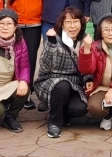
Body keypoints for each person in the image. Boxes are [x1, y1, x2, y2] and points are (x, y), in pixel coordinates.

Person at [34, 7, 89, 139]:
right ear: (62, 24)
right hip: (51, 81)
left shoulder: (86, 40)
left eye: (76, 21)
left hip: (75, 84)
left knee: (79, 109)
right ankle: (54, 122)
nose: (72, 26)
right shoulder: (54, 38)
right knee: (62, 85)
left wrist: (88, 79)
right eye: (68, 22)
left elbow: (89, 67)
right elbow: (45, 65)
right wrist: (51, 43)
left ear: (81, 23)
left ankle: (63, 114)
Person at [6, 0, 42, 110]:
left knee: (31, 57)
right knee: (15, 58)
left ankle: (27, 92)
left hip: (35, 20)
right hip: (16, 21)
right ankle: (14, 93)